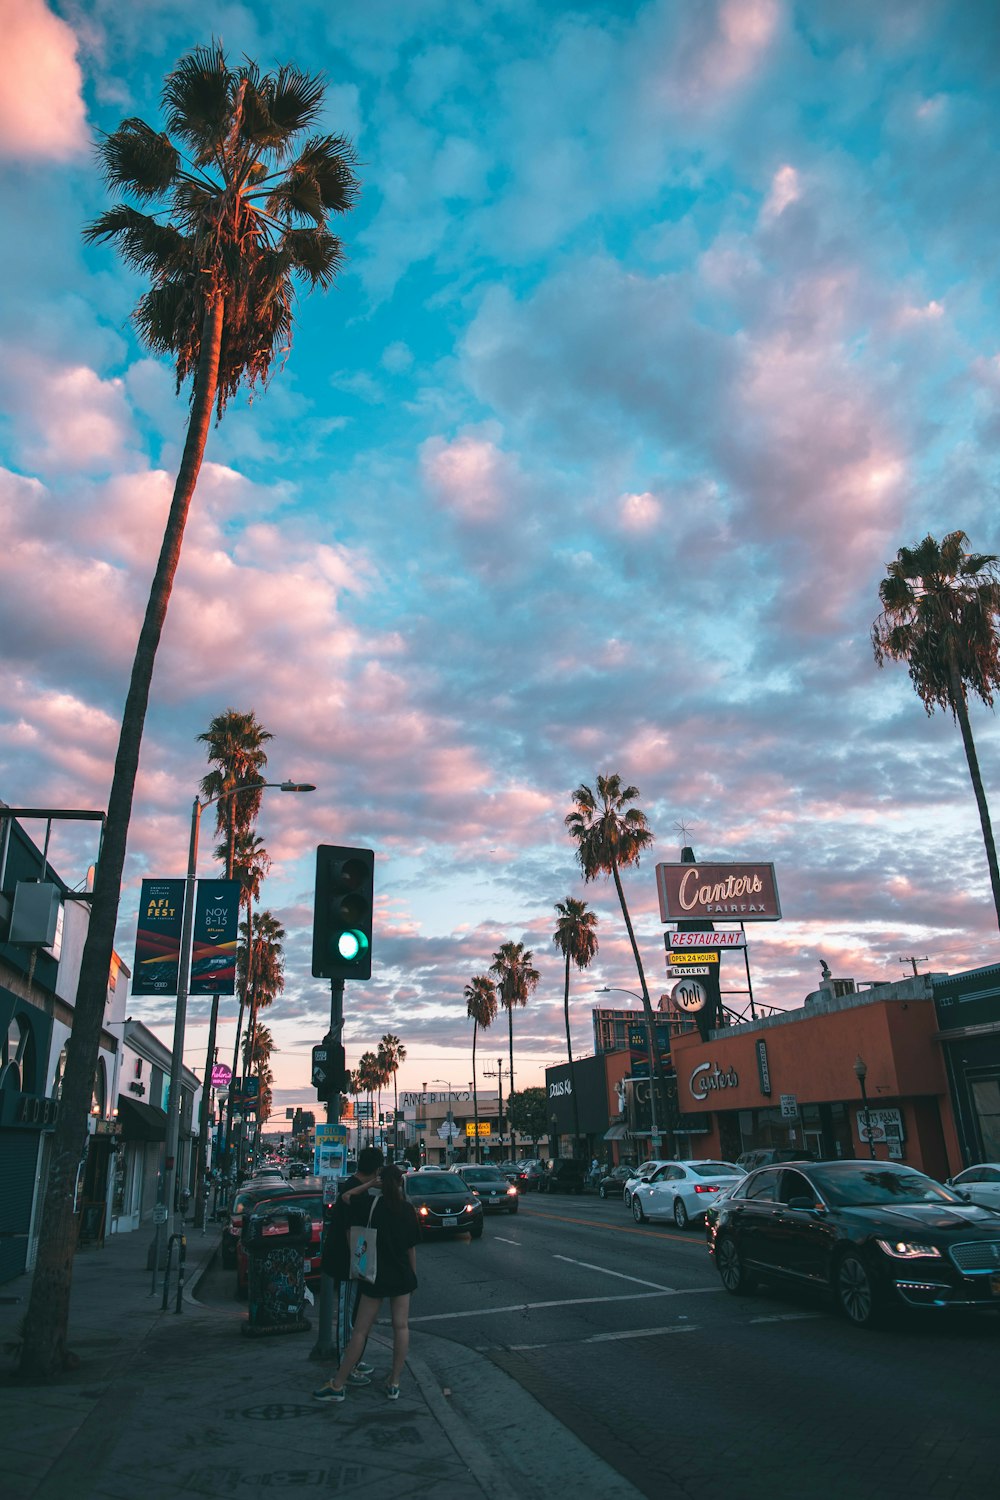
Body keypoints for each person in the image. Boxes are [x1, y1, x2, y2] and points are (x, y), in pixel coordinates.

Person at [313, 1164, 419, 1403]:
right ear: (401, 1183)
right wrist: (413, 1277)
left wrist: (371, 1184)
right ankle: (394, 1382)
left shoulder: (372, 1205)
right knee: (401, 1328)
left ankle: (338, 1384)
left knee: (360, 1330)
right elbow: (411, 1248)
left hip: (375, 1274)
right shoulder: (407, 1210)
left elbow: (347, 1196)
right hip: (402, 1275)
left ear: (382, 1183)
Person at [315, 1146, 383, 1386]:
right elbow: (349, 1230)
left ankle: (353, 1360)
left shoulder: (353, 1187)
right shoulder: (354, 1191)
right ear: (376, 1169)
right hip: (347, 1261)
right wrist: (357, 1262)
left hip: (353, 1260)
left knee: (353, 1312)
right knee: (345, 1314)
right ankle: (346, 1363)